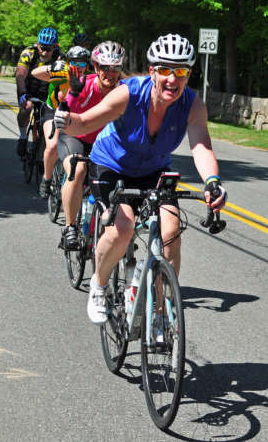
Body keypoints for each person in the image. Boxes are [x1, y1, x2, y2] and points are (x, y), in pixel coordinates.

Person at [54, 33, 228, 325]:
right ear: (152, 71)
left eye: (181, 71)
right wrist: (66, 119)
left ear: (189, 74)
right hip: (111, 164)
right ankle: (98, 285)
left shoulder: (193, 105)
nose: (172, 79)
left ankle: (160, 309)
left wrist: (212, 181)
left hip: (154, 170)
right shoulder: (129, 93)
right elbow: (87, 121)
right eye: (164, 70)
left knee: (171, 230)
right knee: (122, 227)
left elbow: (201, 146)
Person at [56, 41, 126, 251]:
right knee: (77, 170)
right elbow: (65, 115)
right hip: (75, 138)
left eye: (115, 68)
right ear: (96, 67)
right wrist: (71, 95)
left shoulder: (125, 91)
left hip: (104, 146)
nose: (110, 73)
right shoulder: (82, 85)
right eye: (105, 67)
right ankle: (69, 227)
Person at [30, 45, 86, 198]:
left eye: (82, 63)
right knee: (53, 145)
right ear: (68, 63)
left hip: (75, 114)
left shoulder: (89, 78)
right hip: (53, 110)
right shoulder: (61, 72)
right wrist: (52, 67)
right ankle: (46, 179)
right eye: (74, 63)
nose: (78, 67)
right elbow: (34, 73)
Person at [15, 27, 60, 160]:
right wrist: (22, 93)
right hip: (28, 89)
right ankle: (23, 137)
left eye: (49, 49)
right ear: (38, 44)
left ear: (55, 46)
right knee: (26, 108)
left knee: (49, 123)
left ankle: (42, 155)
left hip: (47, 93)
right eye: (42, 48)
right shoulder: (29, 53)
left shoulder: (60, 57)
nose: (45, 52)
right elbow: (20, 75)